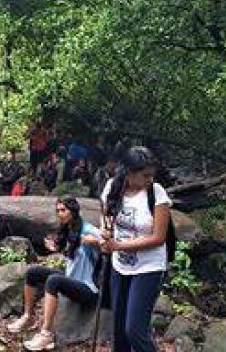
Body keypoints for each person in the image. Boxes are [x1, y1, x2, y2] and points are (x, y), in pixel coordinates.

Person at [6, 196, 102, 351]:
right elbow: (72, 255)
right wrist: (56, 248)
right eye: (57, 210)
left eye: (63, 210)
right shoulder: (68, 229)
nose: (60, 214)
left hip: (88, 287)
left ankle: (46, 335)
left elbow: (107, 245)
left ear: (73, 211)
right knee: (33, 272)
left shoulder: (88, 229)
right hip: (72, 278)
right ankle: (28, 317)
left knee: (53, 281)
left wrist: (95, 243)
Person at [101, 147, 172, 352]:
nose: (151, 179)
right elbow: (105, 215)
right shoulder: (112, 186)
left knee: (135, 331)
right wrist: (105, 231)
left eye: (152, 174)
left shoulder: (156, 193)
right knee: (119, 330)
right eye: (145, 175)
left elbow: (158, 238)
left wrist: (118, 245)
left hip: (148, 267)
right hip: (119, 266)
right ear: (129, 172)